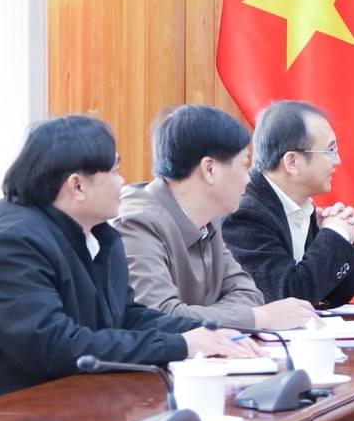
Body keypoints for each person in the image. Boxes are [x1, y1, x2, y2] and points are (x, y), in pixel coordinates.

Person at [0, 116, 251, 399]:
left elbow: (127, 315)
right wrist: (180, 345)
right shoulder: (11, 243)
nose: (123, 182)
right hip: (22, 411)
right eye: (115, 171)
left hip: (86, 397)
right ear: (77, 186)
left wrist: (209, 334)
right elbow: (54, 347)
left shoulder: (98, 234)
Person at [114, 105, 319, 330]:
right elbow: (157, 316)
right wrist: (258, 318)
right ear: (209, 169)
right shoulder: (137, 223)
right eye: (243, 166)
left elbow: (249, 294)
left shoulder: (209, 219)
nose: (248, 179)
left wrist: (209, 315)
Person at [223, 101, 354, 309]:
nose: (337, 160)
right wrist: (335, 234)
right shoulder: (244, 213)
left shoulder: (300, 203)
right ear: (292, 162)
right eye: (330, 150)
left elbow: (335, 295)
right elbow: (288, 297)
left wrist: (344, 239)